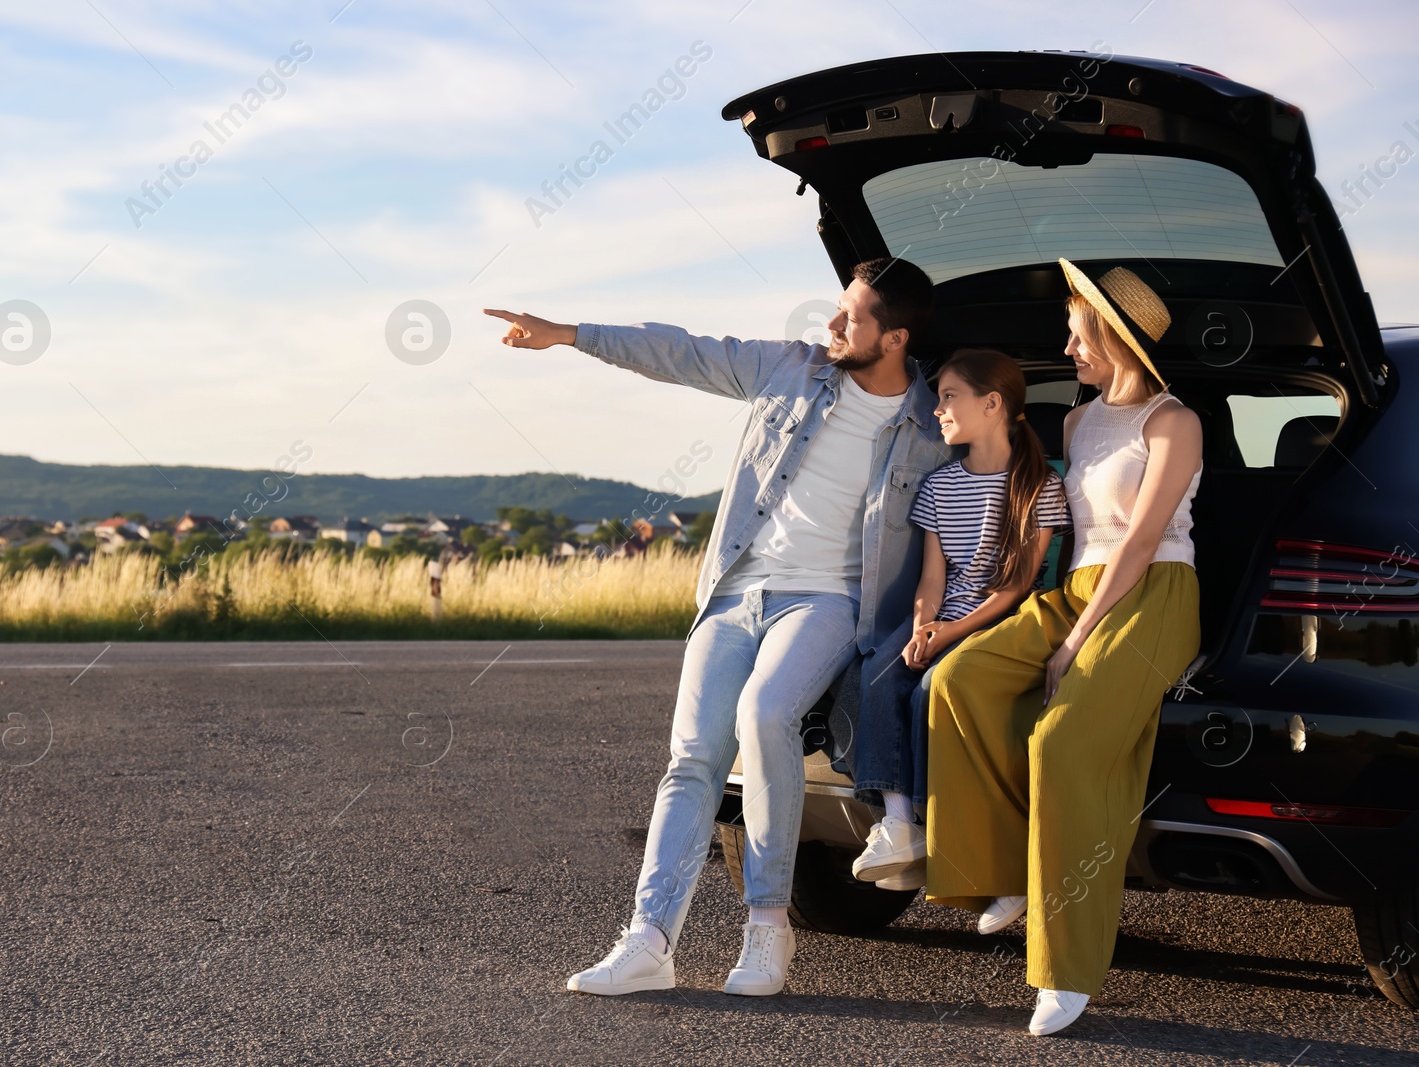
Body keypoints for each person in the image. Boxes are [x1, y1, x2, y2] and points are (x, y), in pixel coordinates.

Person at [483, 256, 952, 997]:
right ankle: (648, 941)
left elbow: (997, 479)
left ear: (893, 339)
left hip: (827, 602)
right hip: (737, 591)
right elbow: (681, 349)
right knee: (694, 753)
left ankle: (768, 928)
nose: (830, 324)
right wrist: (568, 334)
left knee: (765, 713)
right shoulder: (791, 368)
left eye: (851, 317)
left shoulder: (933, 424)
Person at [923, 259, 1203, 1036]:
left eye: (1077, 334)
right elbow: (1056, 524)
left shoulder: (1175, 423)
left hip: (1153, 596)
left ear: (1112, 338)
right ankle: (1005, 873)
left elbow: (1142, 541)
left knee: (1063, 743)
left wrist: (1074, 642)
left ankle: (1065, 971)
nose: (1068, 349)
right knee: (960, 680)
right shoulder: (1079, 422)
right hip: (1079, 587)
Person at [848, 348, 1071, 890]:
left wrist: (950, 631)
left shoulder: (1037, 486)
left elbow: (1018, 585)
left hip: (999, 623)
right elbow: (932, 579)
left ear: (992, 404)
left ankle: (933, 822)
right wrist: (926, 624)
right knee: (879, 673)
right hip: (944, 616)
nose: (938, 409)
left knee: (929, 692)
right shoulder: (940, 486)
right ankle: (898, 823)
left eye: (950, 397)